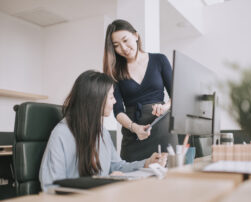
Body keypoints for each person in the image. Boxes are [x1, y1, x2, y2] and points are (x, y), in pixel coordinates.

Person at [39, 70, 167, 191]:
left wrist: (147, 163)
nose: (115, 101)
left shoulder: (101, 131)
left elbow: (117, 166)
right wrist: (105, 181)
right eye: (111, 97)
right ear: (96, 99)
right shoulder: (61, 134)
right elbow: (50, 186)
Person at [103, 19, 178, 162]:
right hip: (134, 135)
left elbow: (176, 96)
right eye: (116, 45)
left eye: (125, 40)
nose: (123, 48)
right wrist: (134, 127)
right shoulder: (115, 72)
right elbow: (117, 110)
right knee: (132, 178)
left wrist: (165, 107)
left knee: (169, 177)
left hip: (163, 131)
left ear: (136, 36)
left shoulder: (159, 60)